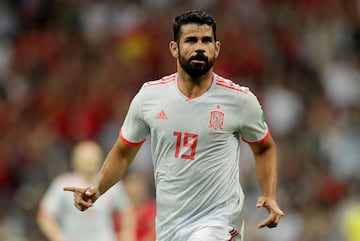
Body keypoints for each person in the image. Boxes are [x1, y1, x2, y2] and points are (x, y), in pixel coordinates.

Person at [64, 10, 285, 241]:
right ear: (174, 48)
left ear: (217, 48)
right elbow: (123, 152)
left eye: (206, 41)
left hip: (219, 221)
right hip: (170, 226)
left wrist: (270, 194)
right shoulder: (149, 97)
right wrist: (97, 189)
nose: (200, 47)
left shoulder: (240, 100)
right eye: (191, 40)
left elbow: (265, 147)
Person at [37, 141, 136, 241]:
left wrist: (127, 235)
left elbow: (127, 210)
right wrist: (58, 237)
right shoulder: (62, 184)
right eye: (84, 157)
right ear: (74, 160)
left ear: (101, 158)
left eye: (93, 157)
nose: (89, 161)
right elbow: (45, 215)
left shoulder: (111, 183)